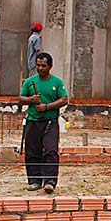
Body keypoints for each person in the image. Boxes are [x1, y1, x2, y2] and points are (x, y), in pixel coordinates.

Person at [18, 52, 68, 193]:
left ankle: (50, 181)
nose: (40, 68)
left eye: (43, 66)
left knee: (51, 150)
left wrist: (47, 106)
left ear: (50, 66)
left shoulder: (57, 82)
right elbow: (21, 98)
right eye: (38, 65)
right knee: (32, 151)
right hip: (33, 121)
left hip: (50, 122)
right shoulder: (30, 82)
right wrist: (31, 100)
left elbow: (64, 99)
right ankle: (34, 180)